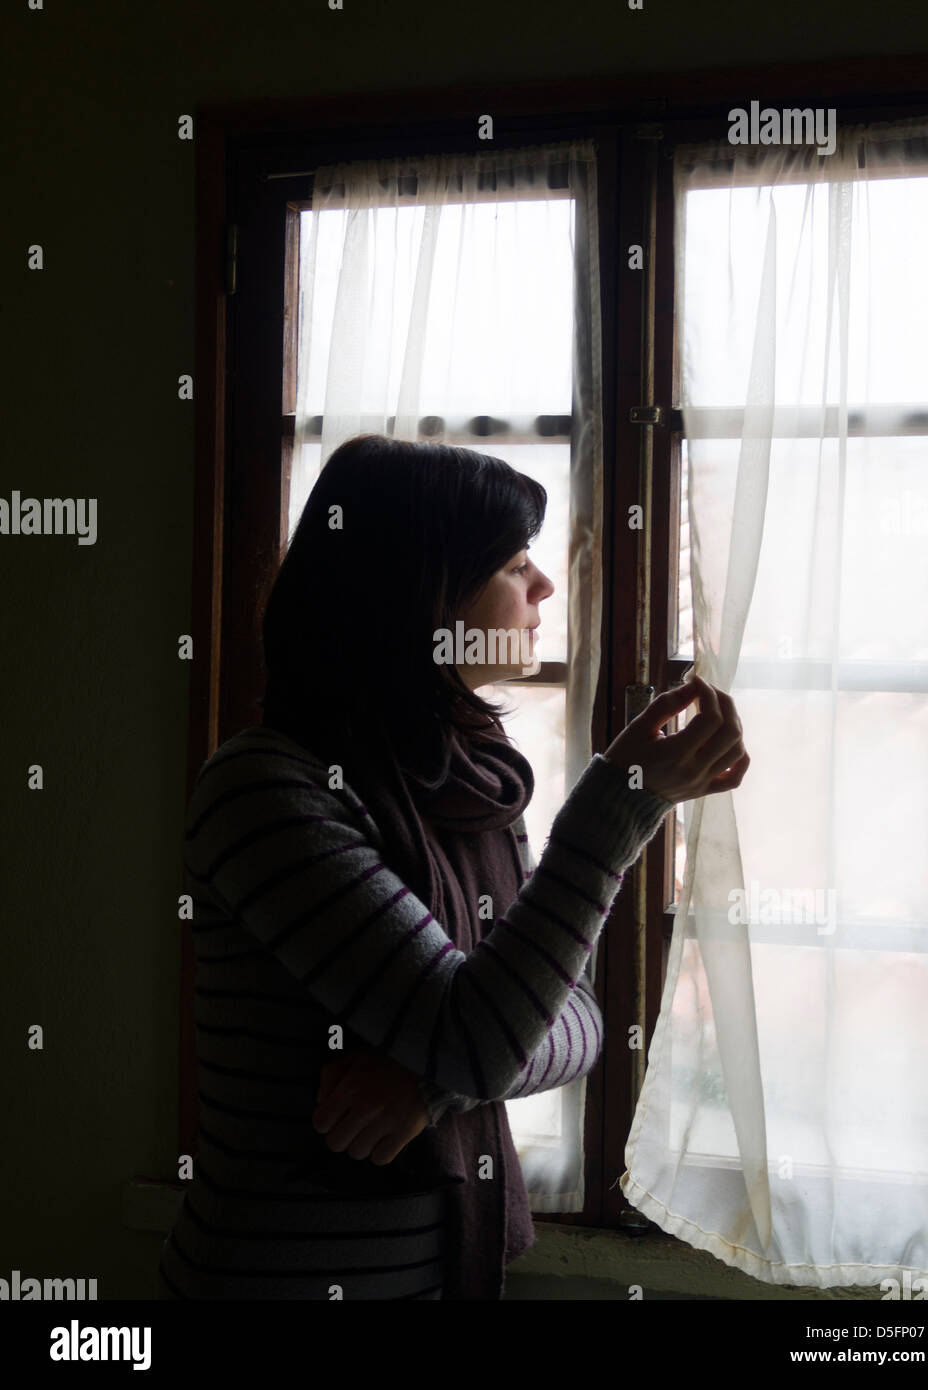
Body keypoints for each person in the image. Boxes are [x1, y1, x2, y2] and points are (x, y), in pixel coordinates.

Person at [157, 433, 748, 1301]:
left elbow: (573, 1014)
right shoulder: (265, 791)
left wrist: (428, 1088)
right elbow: (482, 1035)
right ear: (421, 595)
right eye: (514, 563)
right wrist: (616, 807)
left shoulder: (469, 782)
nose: (544, 586)